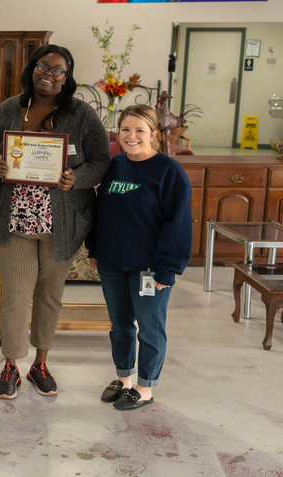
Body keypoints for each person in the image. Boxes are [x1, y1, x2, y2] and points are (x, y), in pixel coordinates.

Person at [0, 44, 110, 399]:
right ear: (32, 68)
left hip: (62, 224)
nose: (49, 74)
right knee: (14, 297)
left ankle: (40, 364)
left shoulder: (82, 114)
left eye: (58, 70)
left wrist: (78, 178)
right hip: (14, 221)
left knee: (50, 296)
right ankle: (11, 363)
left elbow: (101, 160)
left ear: (67, 77)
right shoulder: (11, 108)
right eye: (43, 66)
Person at [89, 104, 191, 410]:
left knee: (149, 328)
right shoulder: (115, 165)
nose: (131, 136)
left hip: (149, 269)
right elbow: (101, 211)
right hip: (111, 263)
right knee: (120, 325)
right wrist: (95, 249)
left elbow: (179, 222)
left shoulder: (169, 171)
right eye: (125, 130)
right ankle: (124, 379)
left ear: (154, 134)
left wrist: (167, 269)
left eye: (139, 130)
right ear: (118, 133)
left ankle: (145, 387)